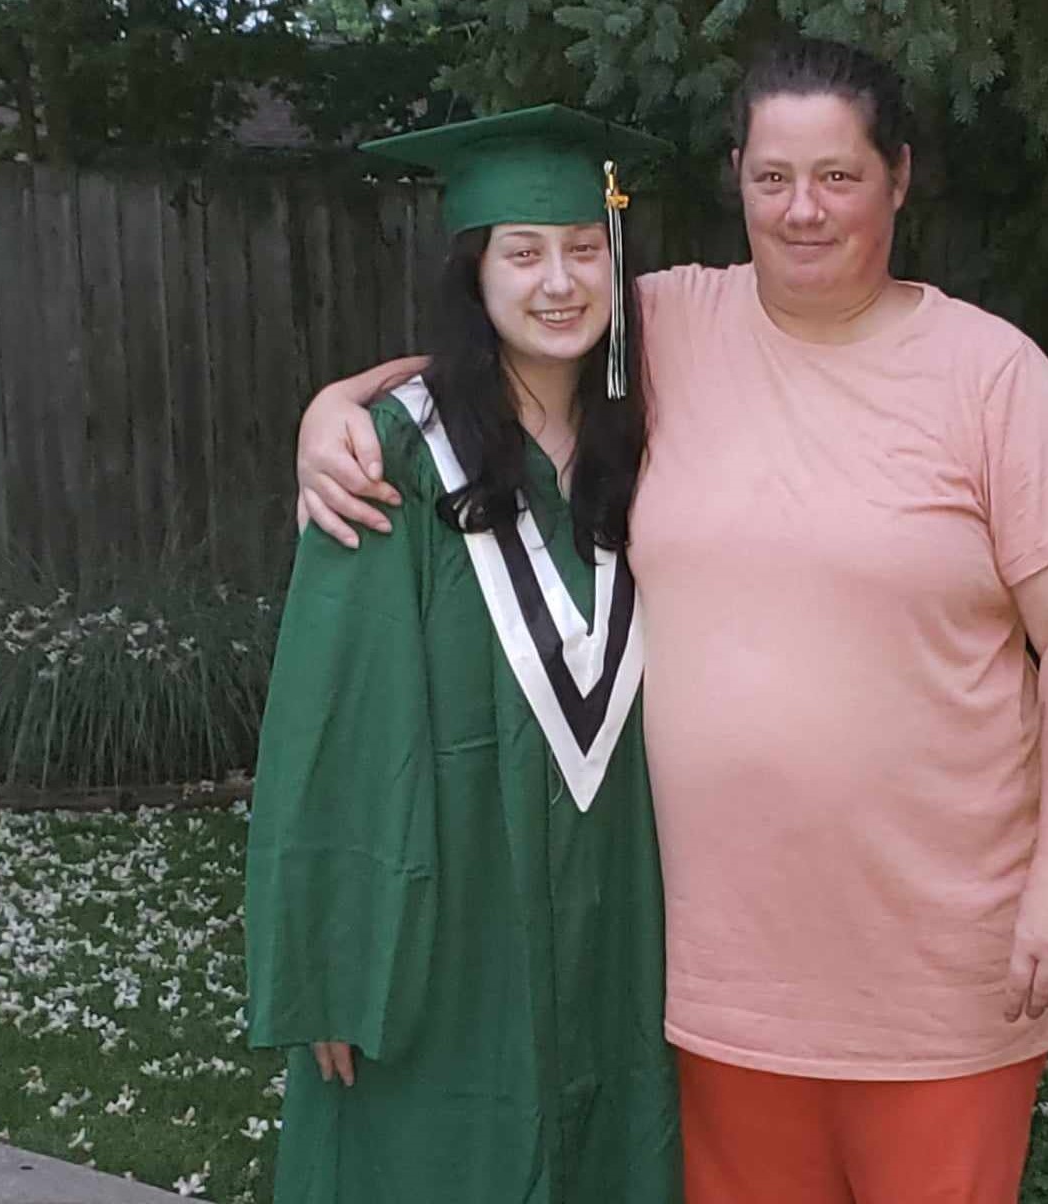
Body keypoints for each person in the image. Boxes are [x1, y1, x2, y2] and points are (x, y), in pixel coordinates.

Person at [295, 38, 1048, 1204]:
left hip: (943, 969)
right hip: (715, 985)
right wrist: (334, 408)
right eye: (773, 175)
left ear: (899, 176)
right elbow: (510, 328)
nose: (802, 209)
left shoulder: (991, 374)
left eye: (838, 175)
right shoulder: (668, 326)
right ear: (736, 174)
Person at [243, 104, 682, 1204]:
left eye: (585, 248)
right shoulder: (389, 452)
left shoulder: (659, 438)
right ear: (474, 277)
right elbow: (337, 719)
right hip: (446, 913)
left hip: (625, 902)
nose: (558, 281)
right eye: (521, 253)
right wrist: (334, 960)